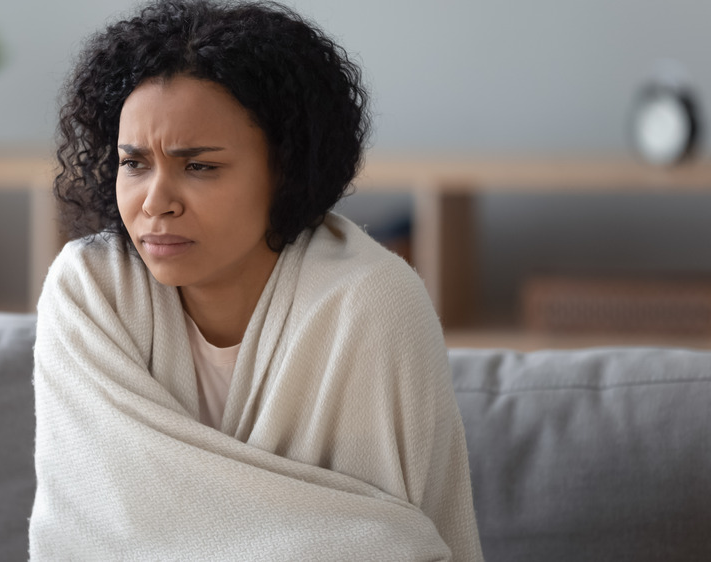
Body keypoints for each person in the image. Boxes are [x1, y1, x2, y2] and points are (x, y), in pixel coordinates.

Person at [30, 1, 483, 559]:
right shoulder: (90, 293)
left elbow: (386, 543)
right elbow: (93, 528)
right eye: (135, 163)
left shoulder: (370, 303)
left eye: (199, 166)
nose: (155, 203)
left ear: (285, 170)